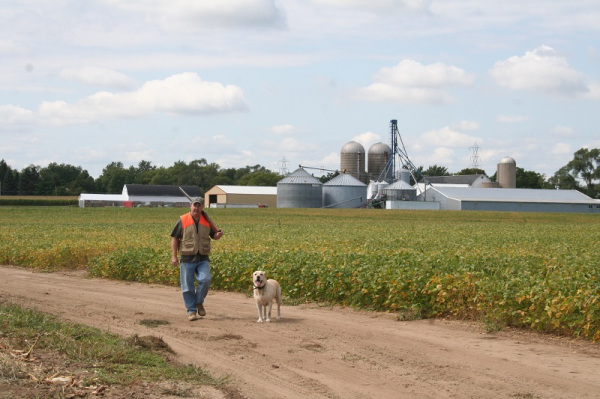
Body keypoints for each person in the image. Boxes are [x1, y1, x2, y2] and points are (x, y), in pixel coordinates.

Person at [170, 197, 223, 321]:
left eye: (199, 206)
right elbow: (174, 239)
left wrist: (218, 235)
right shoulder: (183, 220)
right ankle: (191, 311)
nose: (196, 208)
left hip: (203, 257)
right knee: (187, 286)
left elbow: (213, 236)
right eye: (195, 205)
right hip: (187, 257)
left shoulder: (206, 220)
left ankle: (199, 302)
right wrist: (174, 256)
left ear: (202, 207)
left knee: (206, 279)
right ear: (191, 206)